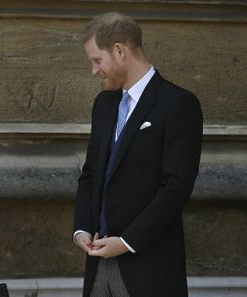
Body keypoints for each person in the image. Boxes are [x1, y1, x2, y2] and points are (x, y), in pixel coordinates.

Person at [73, 12, 203, 297]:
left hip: (149, 268)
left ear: (120, 51)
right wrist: (81, 229)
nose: (94, 70)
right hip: (97, 268)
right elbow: (91, 174)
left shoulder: (179, 104)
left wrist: (127, 242)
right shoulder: (104, 104)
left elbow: (176, 188)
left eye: (97, 60)